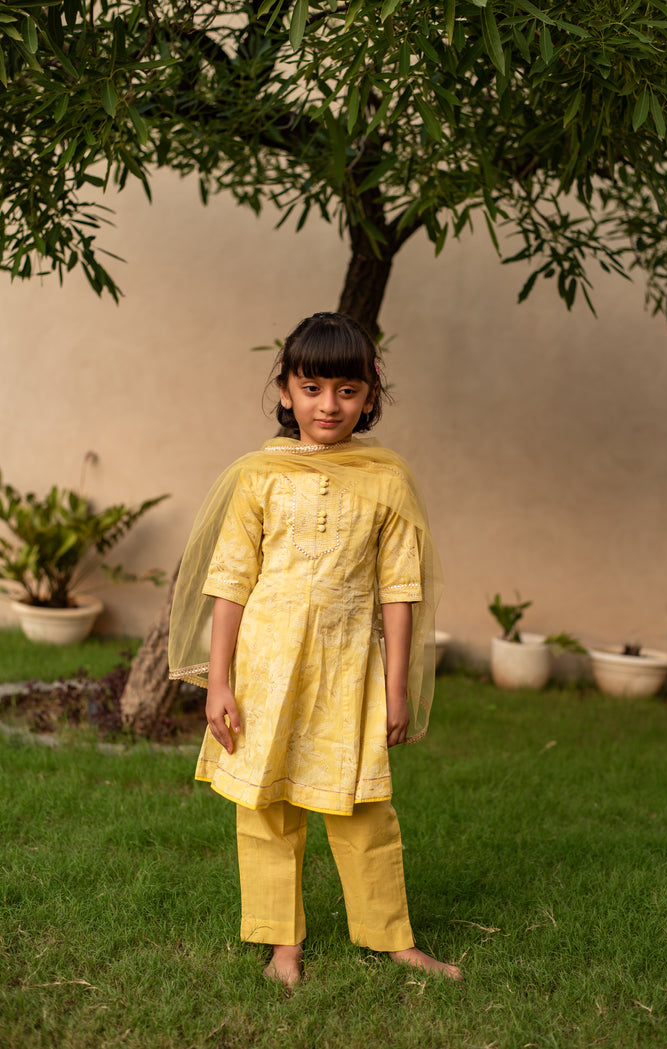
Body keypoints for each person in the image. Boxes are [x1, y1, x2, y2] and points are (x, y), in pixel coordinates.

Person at [168, 312, 462, 988]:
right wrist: (219, 681)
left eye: (348, 390)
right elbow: (231, 581)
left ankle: (393, 938)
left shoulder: (387, 479)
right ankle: (282, 945)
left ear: (372, 393)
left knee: (363, 807)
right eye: (312, 387)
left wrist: (394, 687)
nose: (329, 405)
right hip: (268, 670)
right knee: (267, 807)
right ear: (284, 391)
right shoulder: (259, 477)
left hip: (348, 671)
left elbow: (399, 586)